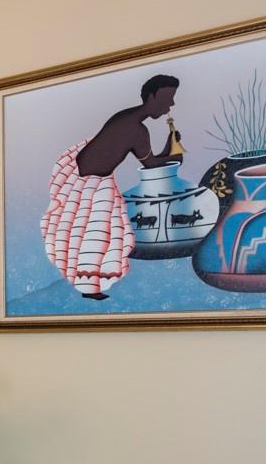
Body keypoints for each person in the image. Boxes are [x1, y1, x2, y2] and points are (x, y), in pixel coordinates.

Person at [41, 74, 181, 300]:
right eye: (167, 99)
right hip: (90, 182)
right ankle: (89, 285)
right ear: (152, 96)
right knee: (99, 234)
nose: (170, 105)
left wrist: (169, 149)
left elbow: (149, 159)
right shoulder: (136, 129)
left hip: (88, 175)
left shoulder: (127, 117)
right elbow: (150, 163)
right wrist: (173, 154)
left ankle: (89, 285)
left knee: (98, 233)